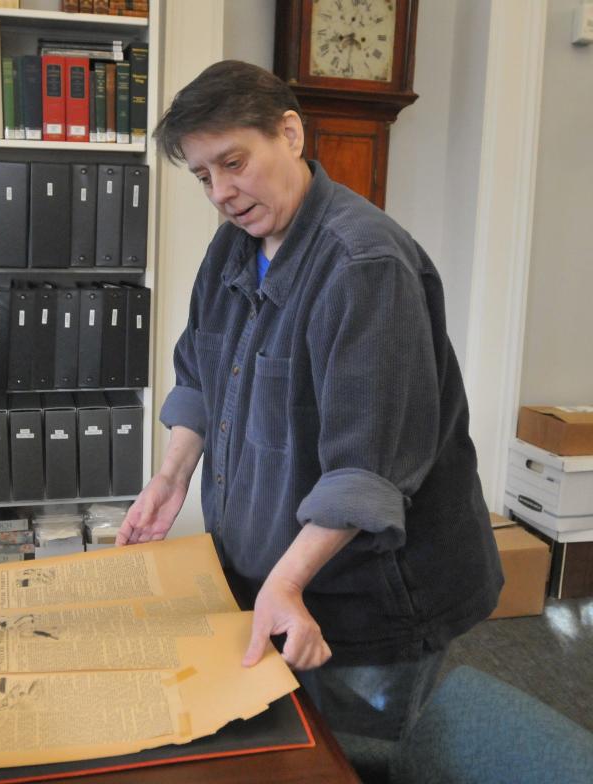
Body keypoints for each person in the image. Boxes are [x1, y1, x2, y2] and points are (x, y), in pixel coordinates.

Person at [115, 60, 503, 742]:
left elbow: (364, 472)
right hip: (275, 589)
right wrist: (170, 479)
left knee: (356, 758)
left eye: (234, 162)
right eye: (203, 176)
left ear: (289, 133)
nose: (221, 192)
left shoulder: (364, 265)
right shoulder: (235, 244)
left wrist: (287, 581)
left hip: (369, 605)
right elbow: (203, 375)